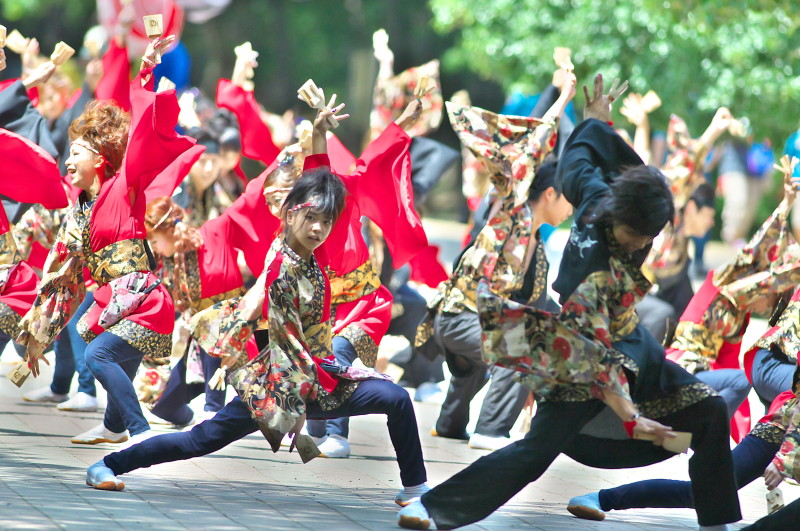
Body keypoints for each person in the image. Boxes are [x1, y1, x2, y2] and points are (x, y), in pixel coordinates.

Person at [398, 74, 740, 531]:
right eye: (633, 233)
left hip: (630, 341)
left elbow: (578, 157)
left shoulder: (597, 193)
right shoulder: (600, 269)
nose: (639, 242)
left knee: (711, 409)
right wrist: (631, 416)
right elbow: (599, 358)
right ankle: (433, 507)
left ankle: (718, 522)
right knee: (536, 450)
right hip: (576, 347)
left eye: (647, 236)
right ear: (617, 217)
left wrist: (597, 120)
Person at [85, 116, 430, 505]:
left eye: (325, 222)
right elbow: (282, 341)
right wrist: (309, 396)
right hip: (279, 385)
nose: (318, 228)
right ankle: (109, 464)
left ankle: (417, 490)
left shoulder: (311, 255)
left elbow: (320, 187)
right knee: (201, 440)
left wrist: (319, 133)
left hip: (313, 376)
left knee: (397, 400)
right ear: (290, 214)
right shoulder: (282, 267)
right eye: (310, 219)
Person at [20, 36, 193, 445]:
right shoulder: (78, 212)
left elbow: (143, 138)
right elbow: (59, 274)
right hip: (115, 301)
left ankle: (140, 431)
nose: (68, 160)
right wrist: (35, 334)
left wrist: (147, 71)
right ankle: (117, 427)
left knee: (98, 354)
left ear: (99, 159)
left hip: (141, 300)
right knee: (102, 349)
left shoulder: (124, 185)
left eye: (76, 152)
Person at [416, 67, 575, 451]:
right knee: (520, 346)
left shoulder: (534, 247)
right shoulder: (512, 213)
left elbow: (537, 305)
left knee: (494, 349)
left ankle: (451, 424)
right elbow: (531, 154)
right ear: (550, 194)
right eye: (569, 199)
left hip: (469, 322)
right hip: (456, 318)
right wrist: (562, 99)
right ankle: (491, 430)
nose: (572, 209)